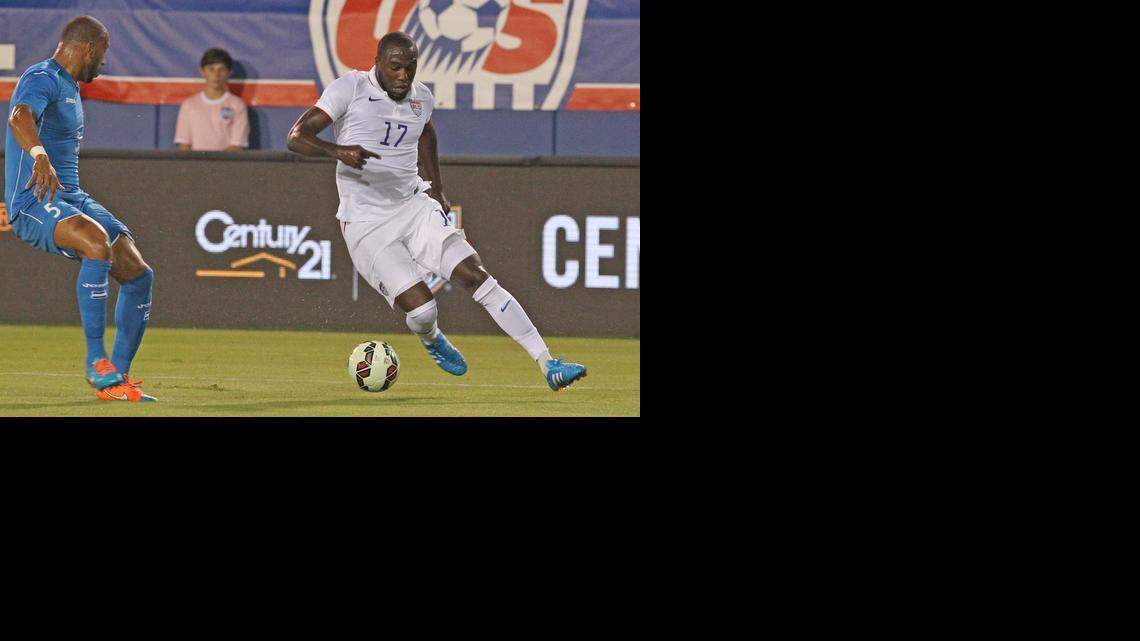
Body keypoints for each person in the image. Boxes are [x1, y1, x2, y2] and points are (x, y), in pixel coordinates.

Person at [286, 32, 586, 392]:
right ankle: (431, 338)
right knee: (423, 310)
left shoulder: (420, 98)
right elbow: (296, 137)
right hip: (366, 222)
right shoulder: (349, 88)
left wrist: (438, 188)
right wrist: (338, 151)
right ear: (378, 62)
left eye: (410, 68)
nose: (403, 76)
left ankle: (548, 363)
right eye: (395, 67)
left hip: (413, 206)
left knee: (475, 275)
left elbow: (425, 133)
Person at [4, 16, 156, 402]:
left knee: (138, 273)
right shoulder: (42, 77)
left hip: (70, 196)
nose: (104, 63)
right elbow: (19, 115)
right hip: (34, 200)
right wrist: (39, 154)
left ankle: (116, 380)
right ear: (88, 48)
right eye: (103, 53)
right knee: (95, 241)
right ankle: (95, 363)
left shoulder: (69, 87)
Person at [174, 48, 249, 151]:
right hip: (196, 165)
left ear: (229, 73)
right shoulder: (189, 105)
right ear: (202, 71)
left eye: (221, 69)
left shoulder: (237, 105)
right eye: (211, 69)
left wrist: (216, 165)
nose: (216, 75)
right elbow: (184, 144)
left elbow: (237, 145)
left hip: (226, 166)